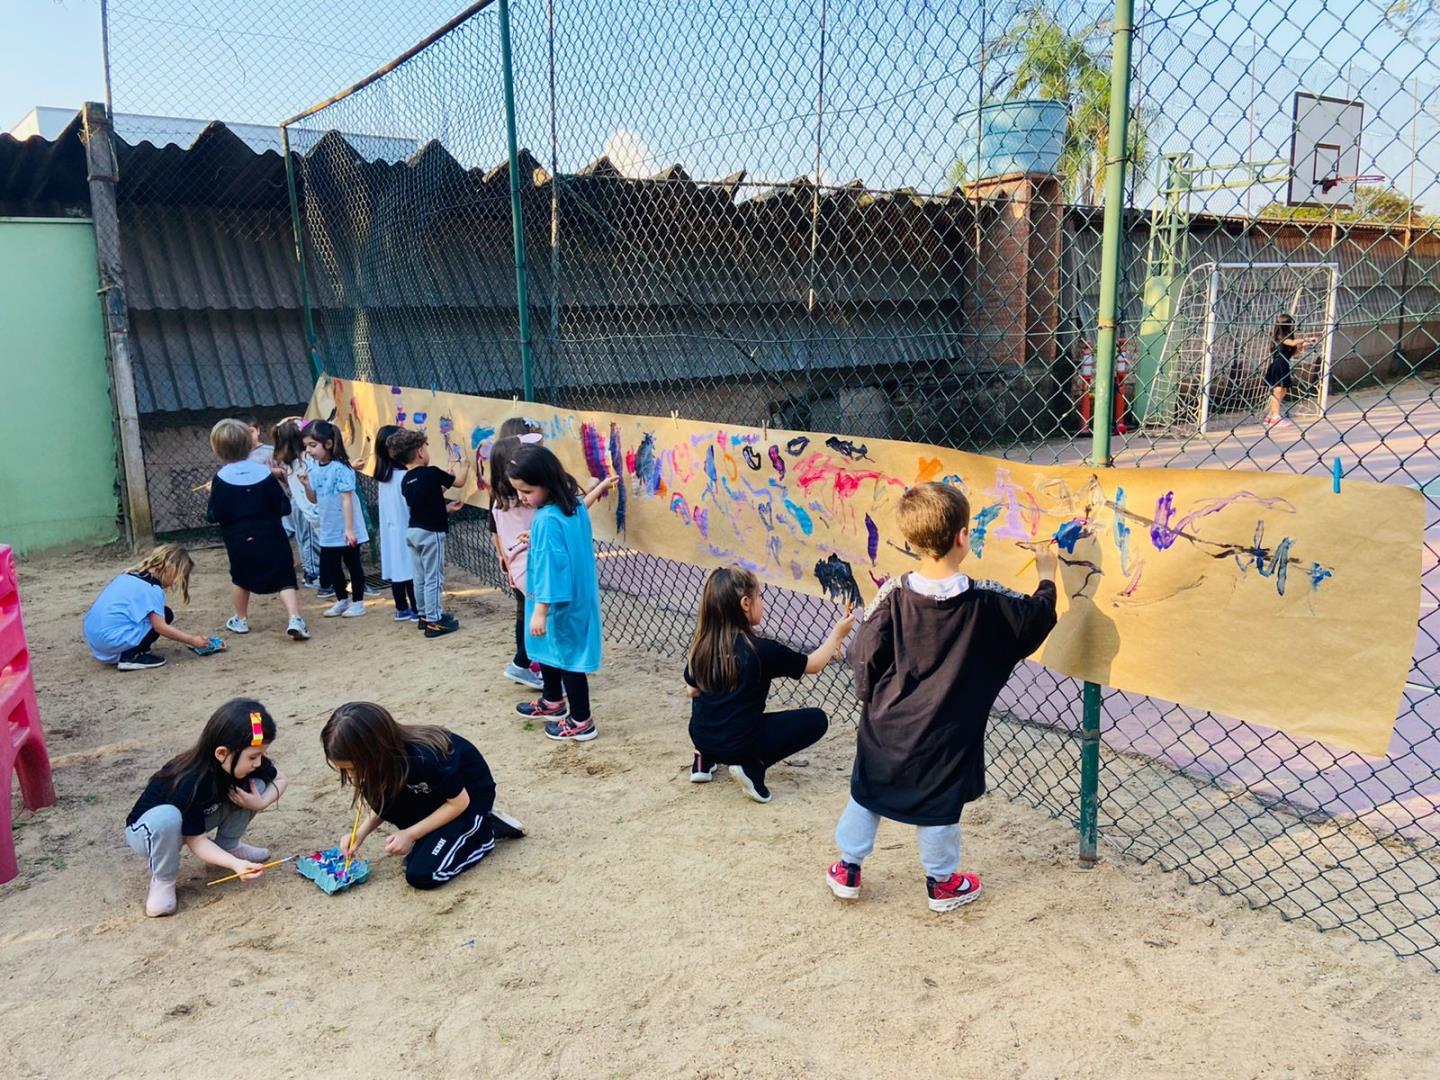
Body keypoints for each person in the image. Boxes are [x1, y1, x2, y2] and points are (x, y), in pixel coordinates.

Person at [827, 482, 1057, 913]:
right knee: (939, 804)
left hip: (886, 723)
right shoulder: (985, 601)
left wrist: (870, 698)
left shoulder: (893, 593)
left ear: (911, 542)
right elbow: (1035, 619)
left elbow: (863, 654)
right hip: (948, 731)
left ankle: (848, 868)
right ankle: (942, 882)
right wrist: (1047, 576)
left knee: (866, 790)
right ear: (963, 537)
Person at [684, 567, 854, 803]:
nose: (761, 602)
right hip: (739, 746)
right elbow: (813, 665)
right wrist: (837, 635)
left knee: (703, 695)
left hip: (702, 737)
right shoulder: (762, 650)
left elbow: (692, 690)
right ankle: (753, 766)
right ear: (745, 603)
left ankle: (702, 759)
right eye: (760, 596)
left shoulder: (703, 644)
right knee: (817, 719)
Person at [320, 701, 524, 891]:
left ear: (374, 752)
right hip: (429, 797)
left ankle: (483, 831)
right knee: (382, 799)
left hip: (465, 802)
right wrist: (360, 833)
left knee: (423, 873)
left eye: (352, 769)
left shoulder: (424, 757)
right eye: (343, 770)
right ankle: (449, 833)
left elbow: (459, 803)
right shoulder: (386, 760)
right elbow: (385, 801)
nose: (350, 776)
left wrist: (410, 834)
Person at [124, 698, 288, 917]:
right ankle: (164, 879)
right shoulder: (190, 780)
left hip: (195, 821)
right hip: (150, 832)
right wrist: (235, 866)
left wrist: (260, 802)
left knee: (255, 786)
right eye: (253, 756)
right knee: (168, 818)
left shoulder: (240, 762)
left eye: (261, 755)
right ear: (222, 753)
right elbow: (197, 841)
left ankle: (229, 845)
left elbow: (280, 779)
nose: (258, 763)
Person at [488, 419, 617, 690]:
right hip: (538, 580)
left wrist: (596, 485)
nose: (524, 496)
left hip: (534, 578)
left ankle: (560, 702)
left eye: (527, 490)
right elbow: (575, 508)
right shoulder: (547, 512)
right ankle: (540, 681)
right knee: (544, 633)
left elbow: (549, 555)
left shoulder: (540, 513)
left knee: (549, 639)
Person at [507, 444, 605, 742]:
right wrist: (535, 536)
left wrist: (541, 610)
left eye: (526, 491)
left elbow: (553, 568)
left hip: (557, 603)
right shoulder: (571, 506)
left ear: (546, 483)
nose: (522, 498)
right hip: (577, 598)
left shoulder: (547, 519)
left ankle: (581, 720)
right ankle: (552, 700)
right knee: (550, 651)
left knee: (568, 660)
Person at [206, 418, 310, 641]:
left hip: (238, 539)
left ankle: (240, 619)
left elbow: (214, 515)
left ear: (217, 448)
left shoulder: (221, 479)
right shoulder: (264, 474)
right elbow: (282, 506)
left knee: (241, 578)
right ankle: (294, 618)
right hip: (272, 534)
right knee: (285, 577)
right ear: (248, 443)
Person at [83, 544, 223, 671]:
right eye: (178, 577)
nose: (175, 583)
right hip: (110, 641)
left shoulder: (128, 575)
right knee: (165, 615)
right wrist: (193, 640)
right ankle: (131, 656)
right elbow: (160, 627)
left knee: (158, 613)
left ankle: (128, 650)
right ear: (171, 569)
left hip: (97, 640)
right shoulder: (152, 589)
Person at [388, 429, 471, 637]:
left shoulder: (406, 481)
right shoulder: (432, 472)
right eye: (426, 447)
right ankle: (435, 621)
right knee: (434, 577)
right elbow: (459, 482)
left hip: (413, 532)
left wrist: (446, 508)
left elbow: (424, 500)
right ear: (420, 452)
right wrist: (466, 466)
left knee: (420, 577)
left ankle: (424, 615)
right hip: (431, 533)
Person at [301, 418, 370, 618]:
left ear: (329, 444)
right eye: (307, 446)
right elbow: (314, 498)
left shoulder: (342, 468)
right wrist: (306, 485)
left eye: (313, 445)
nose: (309, 450)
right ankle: (342, 599)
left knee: (352, 564)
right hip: (328, 525)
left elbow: (347, 499)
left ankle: (358, 602)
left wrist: (349, 529)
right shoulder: (314, 467)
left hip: (345, 525)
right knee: (332, 565)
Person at [373, 423, 419, 622]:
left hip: (392, 530)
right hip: (407, 527)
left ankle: (401, 608)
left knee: (398, 568)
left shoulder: (384, 476)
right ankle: (417, 608)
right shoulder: (405, 476)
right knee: (411, 569)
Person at [273, 417, 321, 590]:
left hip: (302, 505)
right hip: (306, 507)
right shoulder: (303, 459)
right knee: (309, 540)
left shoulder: (292, 460)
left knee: (306, 540)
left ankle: (313, 571)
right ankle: (313, 575)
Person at [1264, 313, 1309, 428]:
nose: (1292, 327)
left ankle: (1272, 414)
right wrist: (1304, 339)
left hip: (1285, 364)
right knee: (1278, 390)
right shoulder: (1279, 336)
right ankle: (1275, 417)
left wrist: (1302, 346)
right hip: (1278, 365)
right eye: (1290, 324)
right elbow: (1291, 343)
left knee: (1283, 391)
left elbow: (1293, 354)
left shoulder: (1289, 337)